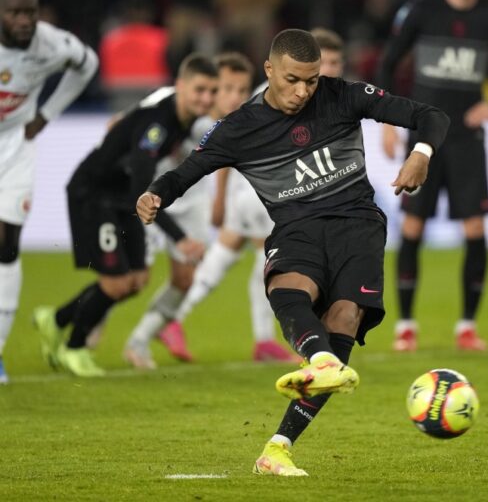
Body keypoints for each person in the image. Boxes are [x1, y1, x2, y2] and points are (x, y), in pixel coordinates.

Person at [136, 29, 449, 476]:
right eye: (292, 80)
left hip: (357, 226)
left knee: (344, 320)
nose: (303, 91)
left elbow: (431, 115)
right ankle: (320, 360)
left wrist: (421, 152)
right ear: (268, 71)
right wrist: (155, 195)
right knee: (289, 289)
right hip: (296, 228)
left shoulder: (342, 96)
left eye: (311, 80)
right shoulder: (239, 127)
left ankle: (277, 448)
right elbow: (186, 172)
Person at [156, 28, 346, 365]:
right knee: (272, 263)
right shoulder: (286, 94)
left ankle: (173, 320)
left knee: (223, 255)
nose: (330, 69)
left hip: (251, 193)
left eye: (334, 63)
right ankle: (263, 341)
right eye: (325, 62)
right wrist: (221, 196)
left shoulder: (308, 93)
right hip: (263, 194)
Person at [31, 54, 217, 377]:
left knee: (137, 281)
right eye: (199, 90)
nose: (206, 98)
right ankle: (74, 348)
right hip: (94, 193)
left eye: (211, 92)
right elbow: (143, 192)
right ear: (181, 86)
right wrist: (181, 238)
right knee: (117, 283)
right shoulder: (159, 124)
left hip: (121, 197)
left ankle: (56, 319)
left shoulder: (180, 118)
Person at [375, 0, 488, 352]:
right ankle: (406, 326)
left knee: (474, 229)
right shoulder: (422, 9)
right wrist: (388, 122)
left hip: (466, 138)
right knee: (412, 227)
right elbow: (388, 63)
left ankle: (467, 327)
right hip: (425, 137)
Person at [123, 52, 257, 369]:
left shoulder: (227, 124)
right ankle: (91, 326)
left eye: (241, 90)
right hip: (154, 195)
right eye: (226, 88)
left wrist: (219, 200)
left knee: (185, 279)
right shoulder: (180, 108)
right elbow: (138, 118)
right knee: (130, 279)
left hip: (193, 200)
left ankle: (140, 340)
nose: (233, 97)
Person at [0, 0, 98, 384]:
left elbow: (88, 64)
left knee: (6, 244)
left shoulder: (54, 43)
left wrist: (47, 114)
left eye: (30, 12)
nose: (24, 20)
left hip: (17, 147)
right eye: (15, 12)